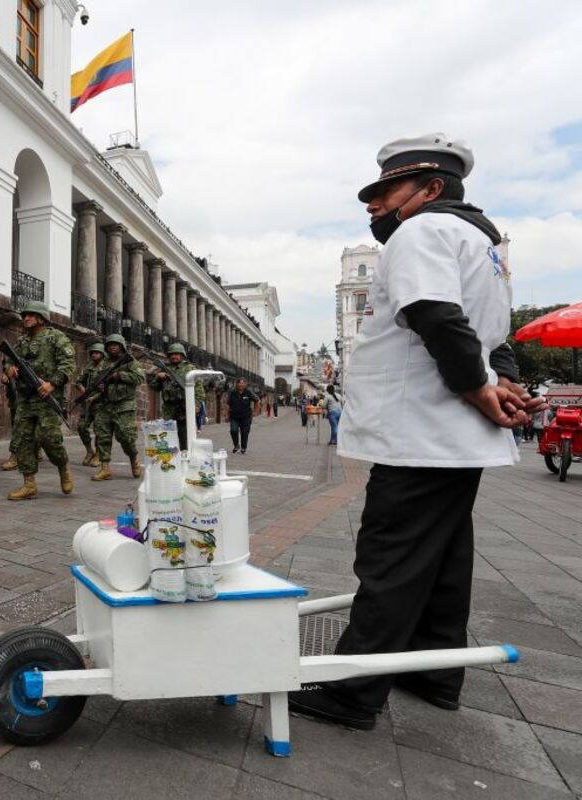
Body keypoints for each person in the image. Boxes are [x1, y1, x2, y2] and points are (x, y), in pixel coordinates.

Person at [290, 133, 539, 731]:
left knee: (391, 554)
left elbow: (437, 315)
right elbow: (494, 338)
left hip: (420, 429)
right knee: (444, 556)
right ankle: (432, 670)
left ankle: (353, 690)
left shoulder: (422, 231)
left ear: (430, 189)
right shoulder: (486, 246)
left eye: (385, 191)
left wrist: (479, 389)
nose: (373, 205)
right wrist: (497, 382)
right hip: (452, 436)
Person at [4, 301, 75, 500]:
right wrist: (9, 370)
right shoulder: (21, 341)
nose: (26, 318)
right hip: (25, 399)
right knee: (23, 440)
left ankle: (63, 468)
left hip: (46, 399)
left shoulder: (56, 338)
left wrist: (52, 384)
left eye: (31, 315)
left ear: (41, 318)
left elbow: (68, 364)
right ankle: (29, 484)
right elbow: (9, 360)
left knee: (49, 439)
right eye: (25, 315)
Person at [90, 333, 145, 481]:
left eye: (115, 344)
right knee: (102, 437)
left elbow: (140, 378)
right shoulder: (103, 363)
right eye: (109, 345)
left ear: (121, 346)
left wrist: (120, 375)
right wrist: (100, 386)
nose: (112, 346)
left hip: (124, 405)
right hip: (105, 404)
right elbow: (97, 380)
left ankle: (134, 460)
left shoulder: (131, 362)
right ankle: (105, 468)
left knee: (126, 437)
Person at [147, 343, 204, 452]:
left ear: (182, 355)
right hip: (169, 408)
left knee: (185, 436)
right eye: (172, 354)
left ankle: (186, 458)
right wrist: (158, 377)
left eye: (177, 354)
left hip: (185, 406)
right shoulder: (164, 369)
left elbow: (199, 389)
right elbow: (155, 387)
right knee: (168, 435)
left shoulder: (190, 369)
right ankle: (171, 461)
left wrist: (196, 404)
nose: (174, 356)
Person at [75, 342, 106, 467]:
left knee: (99, 430)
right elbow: (78, 381)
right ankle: (89, 451)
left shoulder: (107, 368)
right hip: (87, 404)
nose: (94, 355)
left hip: (101, 404)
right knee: (81, 427)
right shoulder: (88, 367)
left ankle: (98, 455)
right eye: (93, 353)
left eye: (97, 353)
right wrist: (84, 391)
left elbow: (108, 389)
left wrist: (95, 397)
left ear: (102, 354)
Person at [227, 378, 258, 454]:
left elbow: (257, 400)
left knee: (244, 432)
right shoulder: (232, 392)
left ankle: (243, 447)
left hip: (246, 417)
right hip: (234, 416)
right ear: (237, 384)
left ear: (245, 384)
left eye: (242, 383)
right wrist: (227, 415)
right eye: (239, 383)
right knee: (233, 430)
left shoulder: (248, 392)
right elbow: (228, 404)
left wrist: (255, 411)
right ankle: (236, 445)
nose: (241, 384)